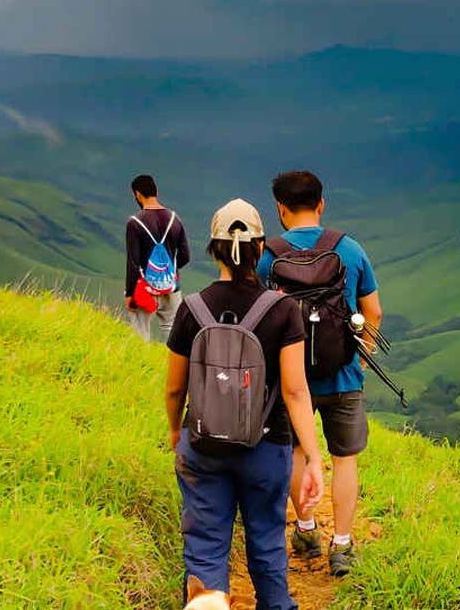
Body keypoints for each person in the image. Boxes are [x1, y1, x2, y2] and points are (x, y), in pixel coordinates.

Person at [165, 199, 325, 608]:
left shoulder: (191, 309)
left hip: (202, 446)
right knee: (267, 544)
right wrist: (312, 457)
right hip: (266, 448)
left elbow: (173, 389)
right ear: (260, 249)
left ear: (214, 249)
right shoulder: (282, 310)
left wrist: (175, 430)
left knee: (204, 546)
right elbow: (295, 391)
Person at [257, 171, 381, 577]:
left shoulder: (268, 257)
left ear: (280, 208)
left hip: (290, 382)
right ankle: (342, 545)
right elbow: (373, 312)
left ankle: (306, 530)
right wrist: (359, 356)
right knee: (344, 460)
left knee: (295, 453)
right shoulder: (350, 249)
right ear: (321, 203)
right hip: (343, 376)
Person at [125, 174, 191, 342]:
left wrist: (130, 293)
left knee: (140, 335)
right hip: (172, 287)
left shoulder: (134, 222)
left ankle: (142, 367)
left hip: (144, 289)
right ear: (156, 191)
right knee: (173, 335)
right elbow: (185, 256)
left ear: (137, 194)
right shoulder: (175, 219)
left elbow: (133, 262)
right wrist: (168, 272)